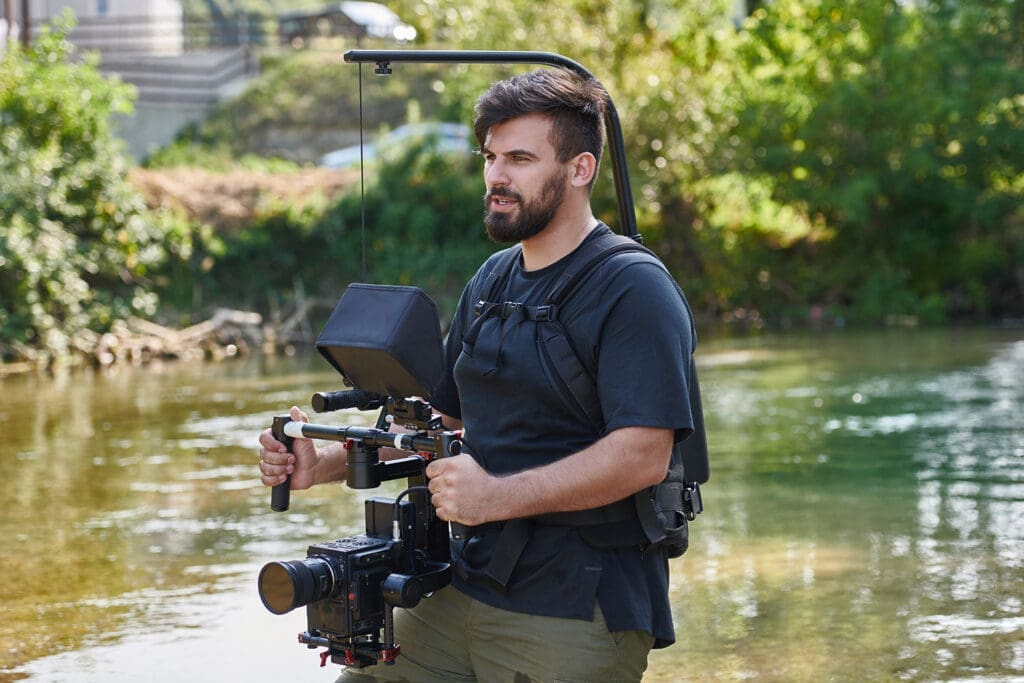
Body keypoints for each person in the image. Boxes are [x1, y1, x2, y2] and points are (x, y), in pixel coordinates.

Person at [258, 67, 698, 682]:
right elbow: (441, 421)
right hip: (464, 580)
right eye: (490, 156)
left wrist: (496, 496)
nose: (496, 175)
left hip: (575, 600)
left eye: (520, 157)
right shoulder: (492, 280)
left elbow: (643, 456)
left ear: (580, 169)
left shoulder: (633, 288)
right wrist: (324, 463)